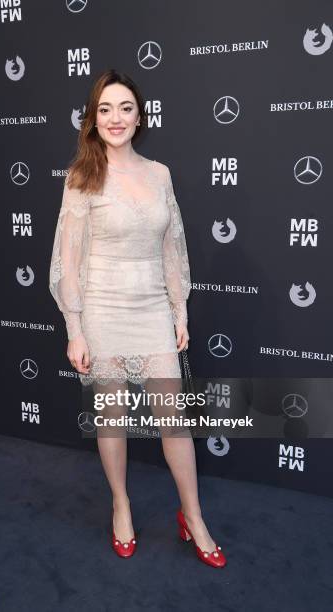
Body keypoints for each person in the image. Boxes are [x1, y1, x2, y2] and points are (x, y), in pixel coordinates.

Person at [49, 69, 226, 567]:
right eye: (104, 109)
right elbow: (69, 260)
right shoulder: (81, 177)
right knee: (113, 420)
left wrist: (179, 310)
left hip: (152, 309)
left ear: (140, 115)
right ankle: (121, 505)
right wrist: (75, 329)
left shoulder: (159, 174)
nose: (115, 118)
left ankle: (192, 516)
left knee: (175, 424)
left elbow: (173, 248)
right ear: (92, 119)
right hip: (103, 310)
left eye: (125, 107)